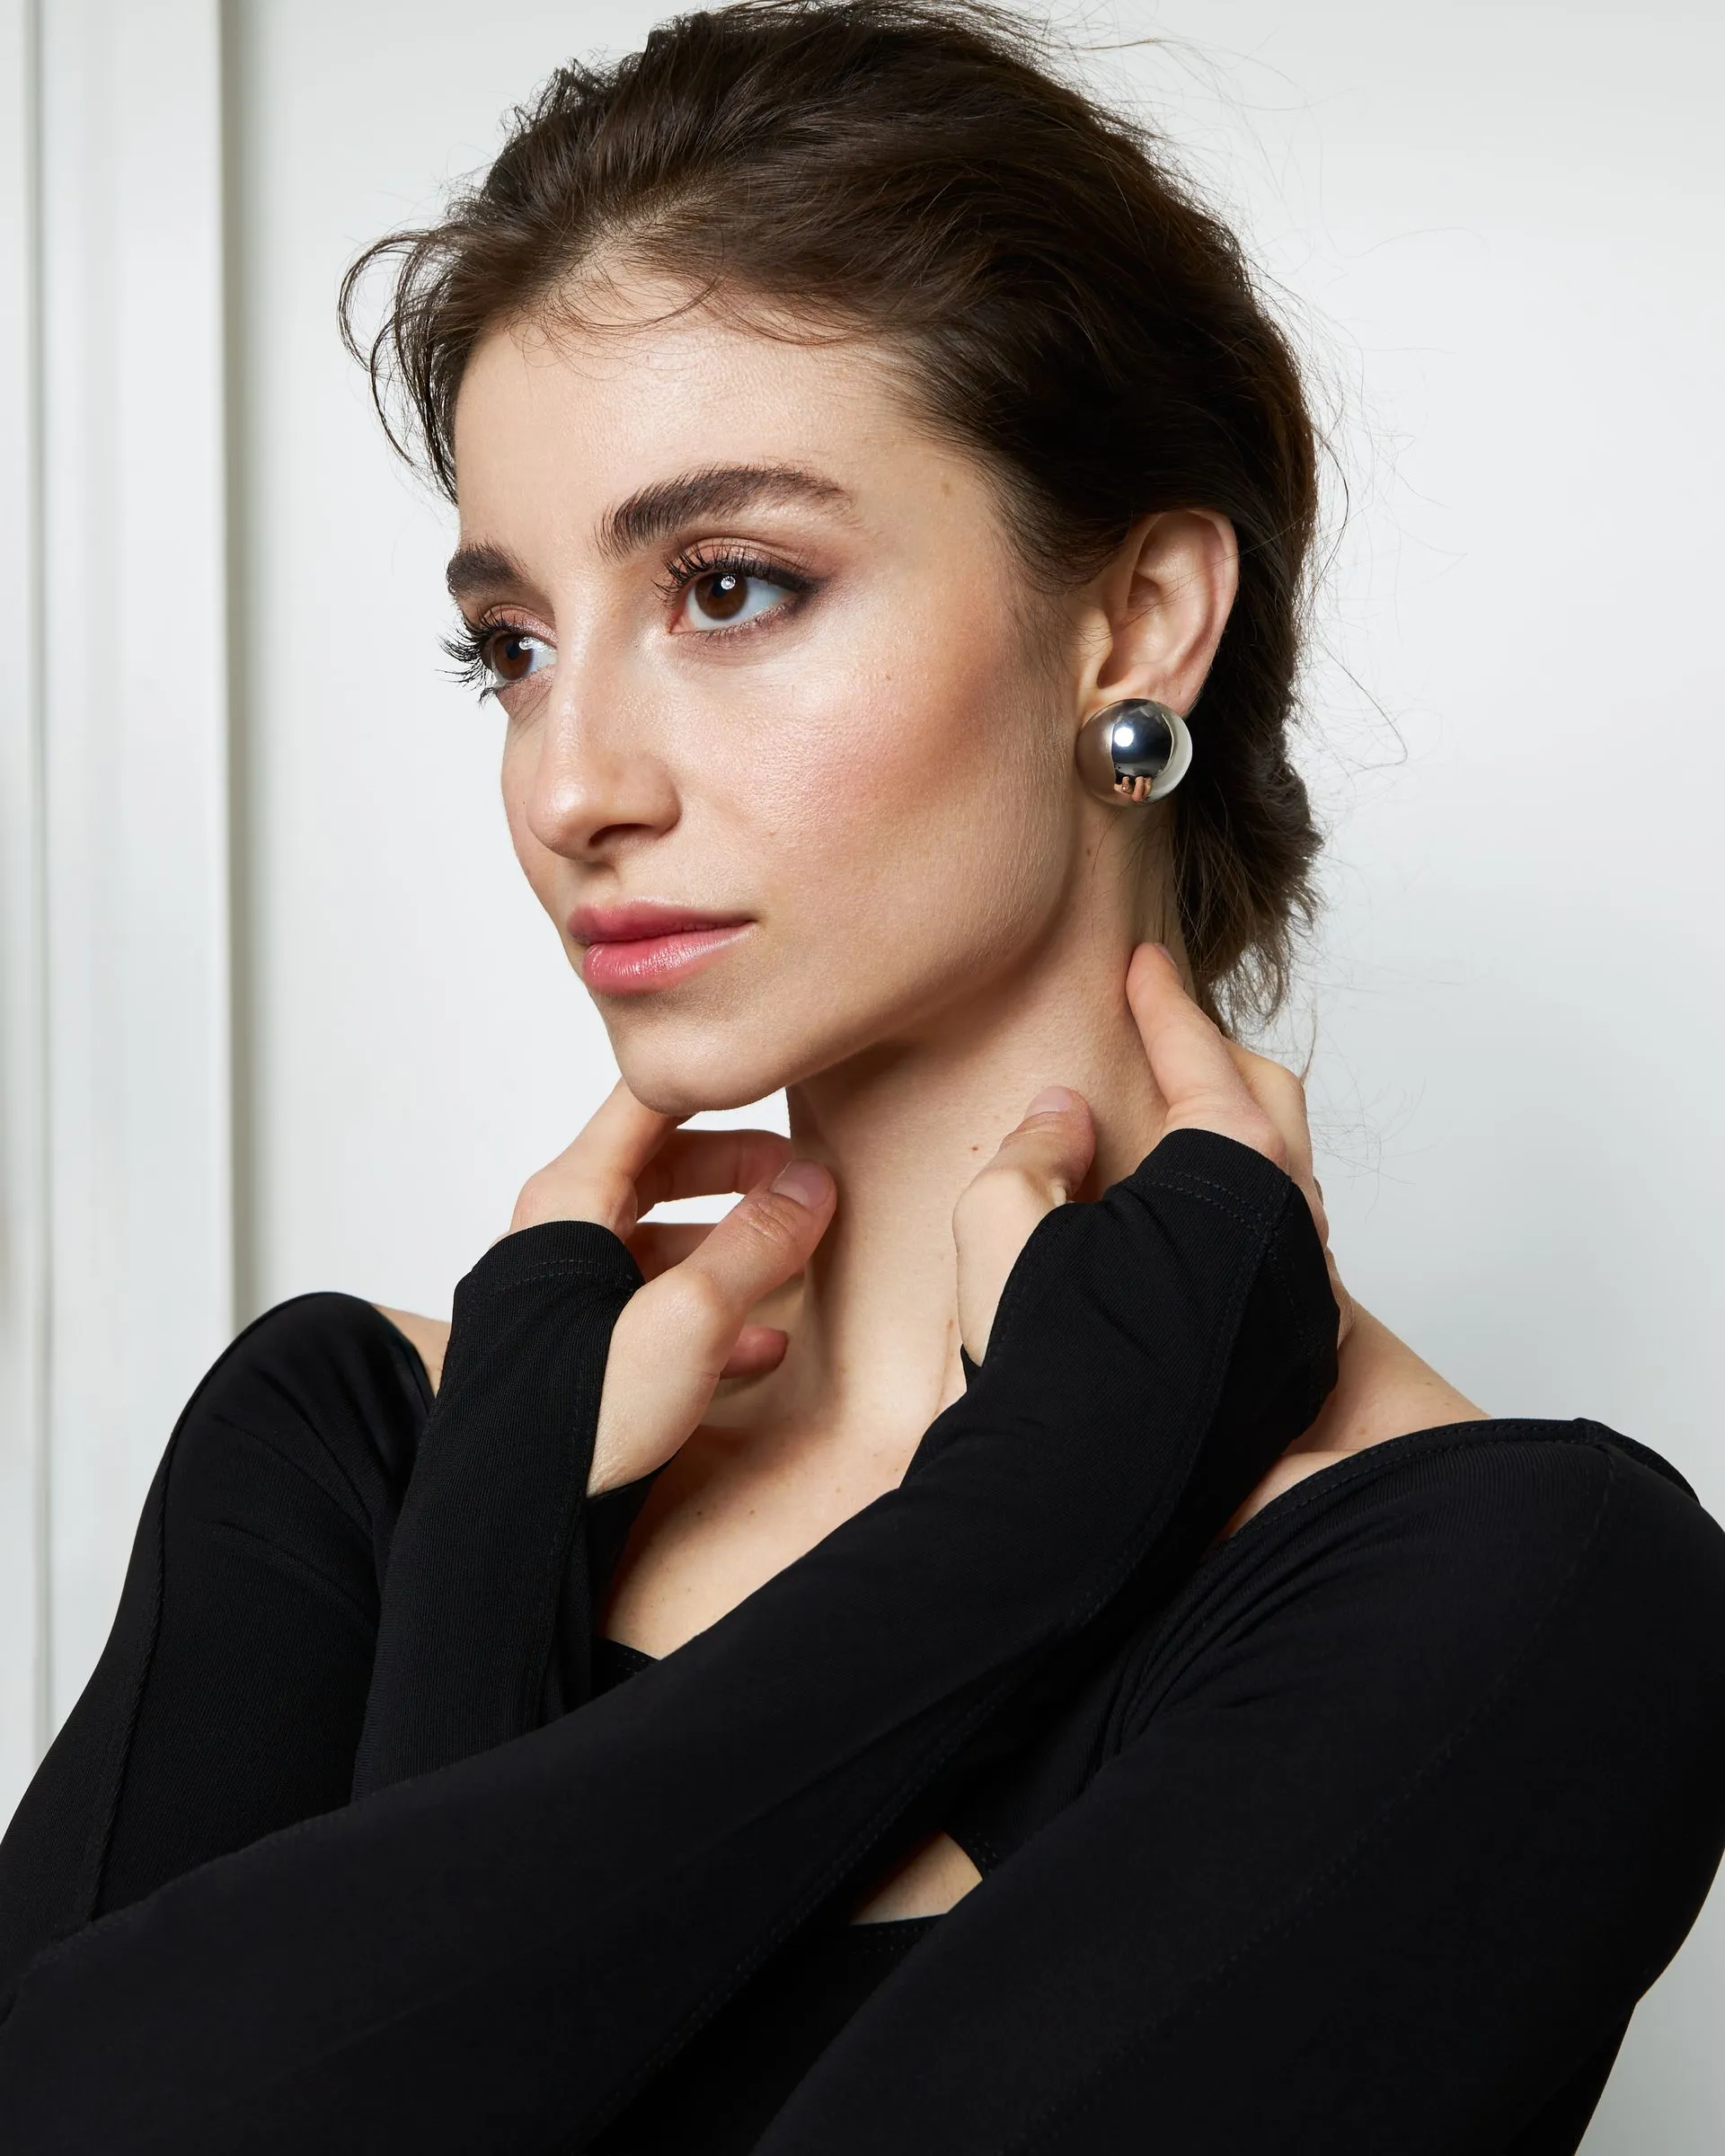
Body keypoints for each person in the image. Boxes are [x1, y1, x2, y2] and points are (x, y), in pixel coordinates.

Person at [2, 4, 1722, 2149]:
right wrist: (971, 1532)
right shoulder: (374, 1447)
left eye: (730, 587)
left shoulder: (1512, 1594)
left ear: (1137, 619)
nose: (569, 781)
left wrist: (1035, 1515)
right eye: (511, 643)